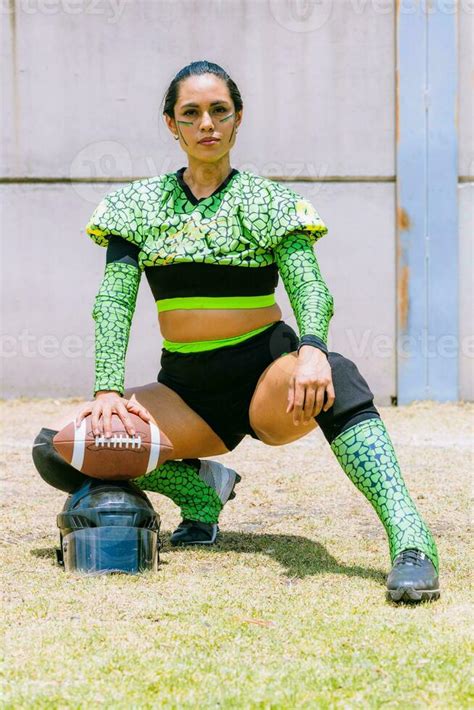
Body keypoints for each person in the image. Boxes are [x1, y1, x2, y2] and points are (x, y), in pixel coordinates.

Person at [32, 60, 440, 602]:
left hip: (266, 378)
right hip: (186, 390)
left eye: (219, 111)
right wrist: (107, 389)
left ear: (237, 119)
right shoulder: (136, 206)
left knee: (338, 374)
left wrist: (314, 350)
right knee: (61, 447)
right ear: (171, 124)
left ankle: (411, 539)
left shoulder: (269, 202)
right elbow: (114, 299)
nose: (207, 124)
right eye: (191, 113)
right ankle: (202, 491)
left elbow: (310, 287)